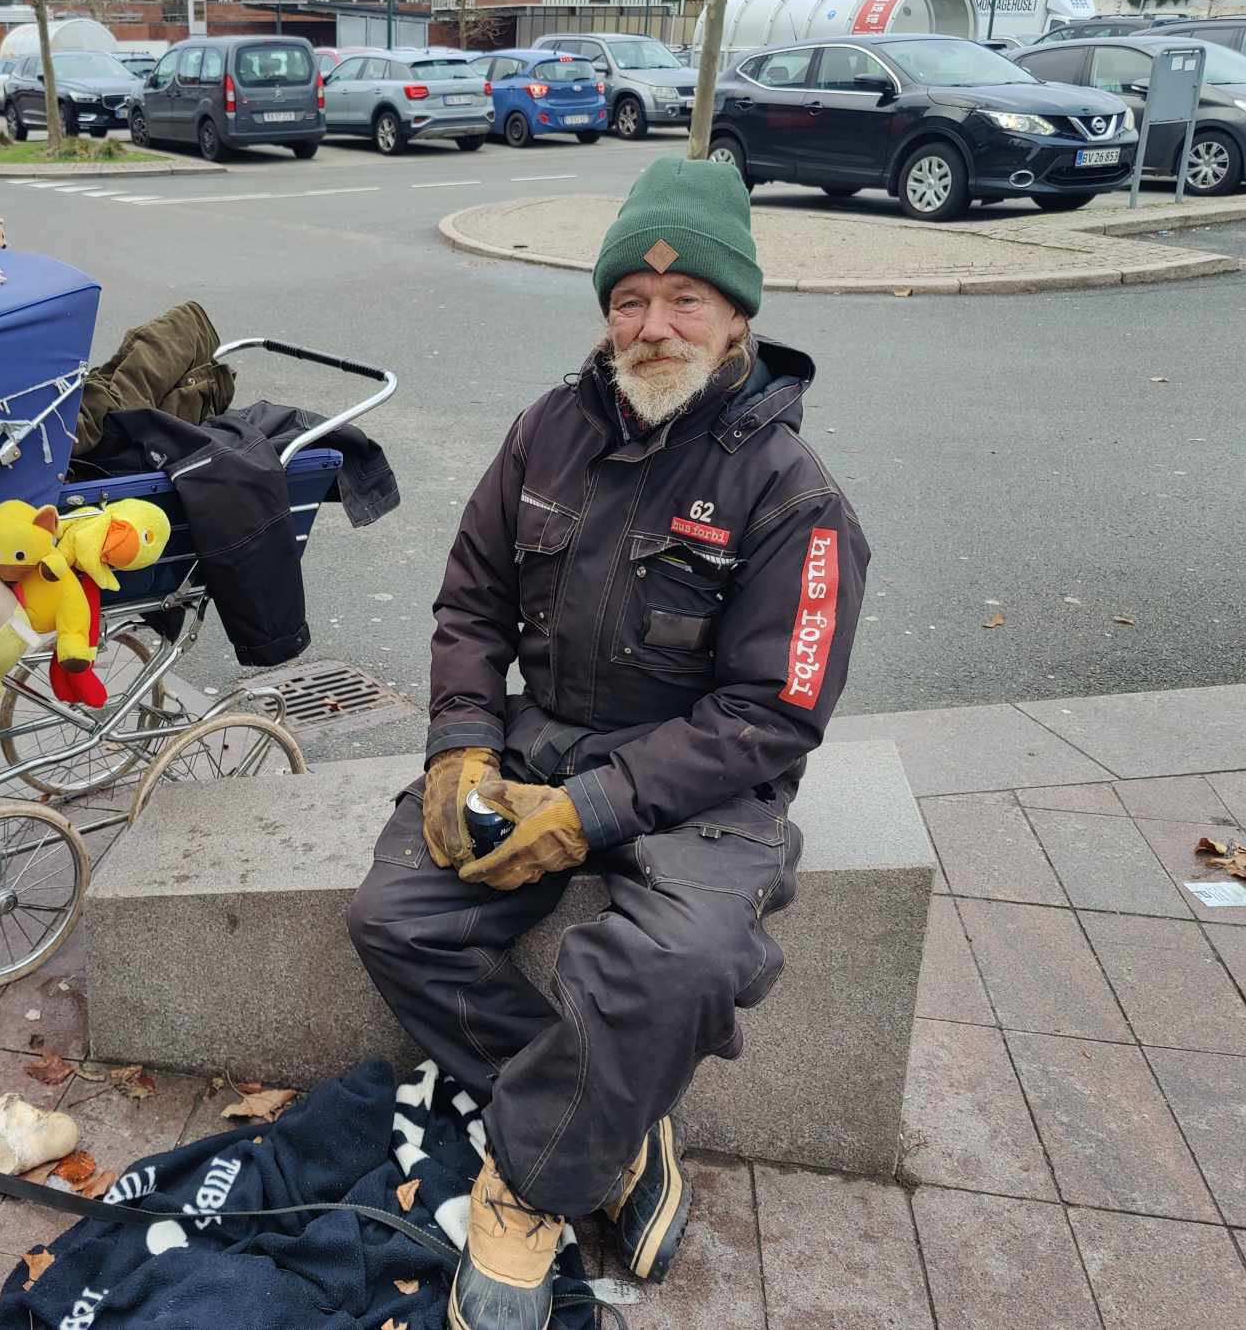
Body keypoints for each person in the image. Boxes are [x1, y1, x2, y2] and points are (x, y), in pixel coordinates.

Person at [345, 158, 870, 1330]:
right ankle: (613, 1120)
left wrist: (590, 812)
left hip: (705, 787)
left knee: (676, 964)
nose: (652, 324)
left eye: (685, 301)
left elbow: (770, 714)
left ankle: (531, 1186)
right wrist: (461, 752)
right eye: (628, 299)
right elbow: (471, 603)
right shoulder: (546, 430)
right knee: (392, 920)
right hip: (539, 741)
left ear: (738, 315)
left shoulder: (796, 496)